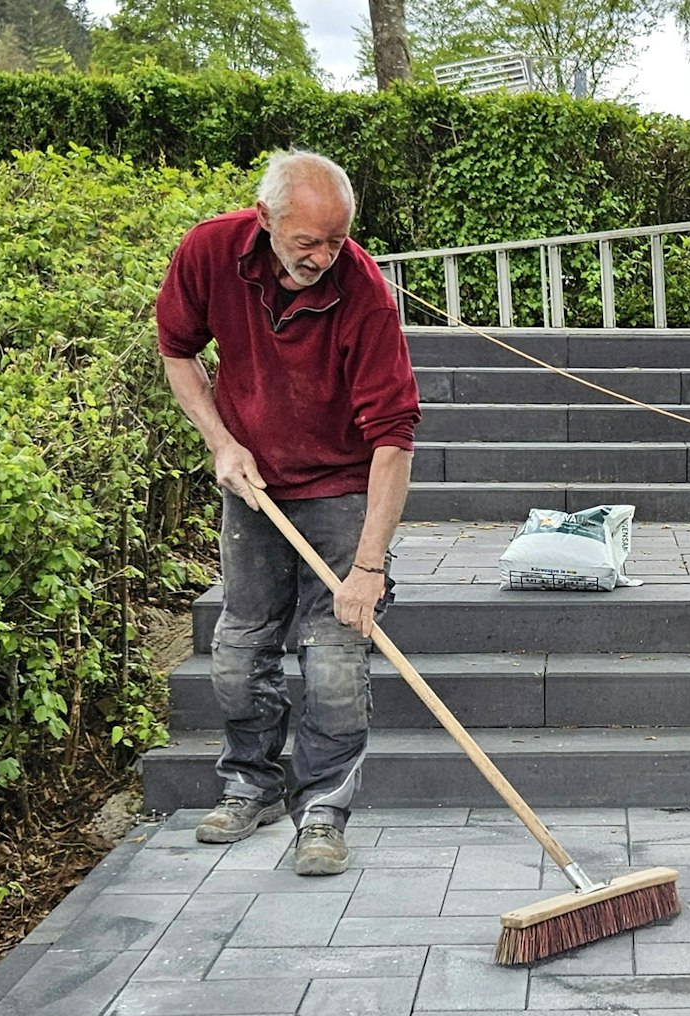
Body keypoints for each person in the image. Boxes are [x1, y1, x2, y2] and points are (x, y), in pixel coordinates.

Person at [155, 150, 420, 876]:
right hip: (254, 486)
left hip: (341, 487)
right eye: (308, 241)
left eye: (337, 239)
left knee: (334, 658)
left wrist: (368, 568)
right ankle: (251, 785)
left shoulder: (361, 290)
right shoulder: (210, 251)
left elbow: (394, 438)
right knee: (240, 651)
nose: (324, 256)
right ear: (265, 218)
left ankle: (325, 810)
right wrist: (221, 442)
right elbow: (178, 350)